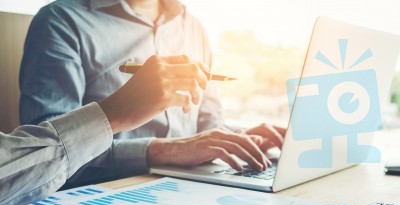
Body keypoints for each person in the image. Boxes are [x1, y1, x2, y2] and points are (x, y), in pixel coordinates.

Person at [19, 0, 285, 188]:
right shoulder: (60, 21)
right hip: (112, 192)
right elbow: (48, 152)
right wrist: (167, 151)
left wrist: (240, 140)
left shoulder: (194, 27)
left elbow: (209, 124)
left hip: (195, 187)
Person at [0, 55, 208, 205]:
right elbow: (40, 155)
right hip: (100, 199)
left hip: (186, 189)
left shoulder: (194, 27)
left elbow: (211, 119)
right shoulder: (61, 19)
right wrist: (160, 150)